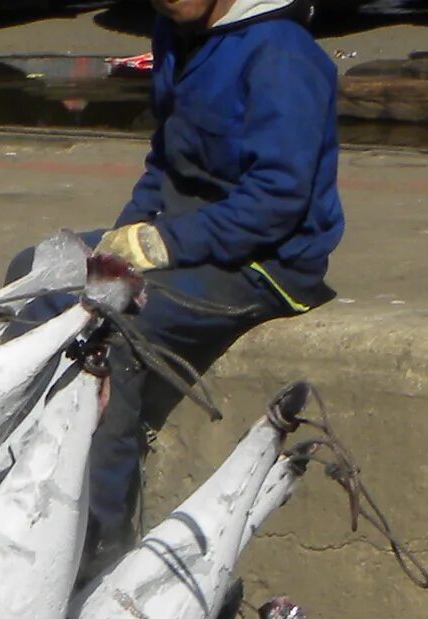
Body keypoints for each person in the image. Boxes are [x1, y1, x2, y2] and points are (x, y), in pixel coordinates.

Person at [84, 0, 343, 561]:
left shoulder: (281, 54)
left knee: (116, 327)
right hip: (189, 240)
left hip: (262, 266)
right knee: (37, 276)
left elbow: (277, 200)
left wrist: (165, 245)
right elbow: (165, 163)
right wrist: (127, 233)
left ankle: (95, 542)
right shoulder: (175, 29)